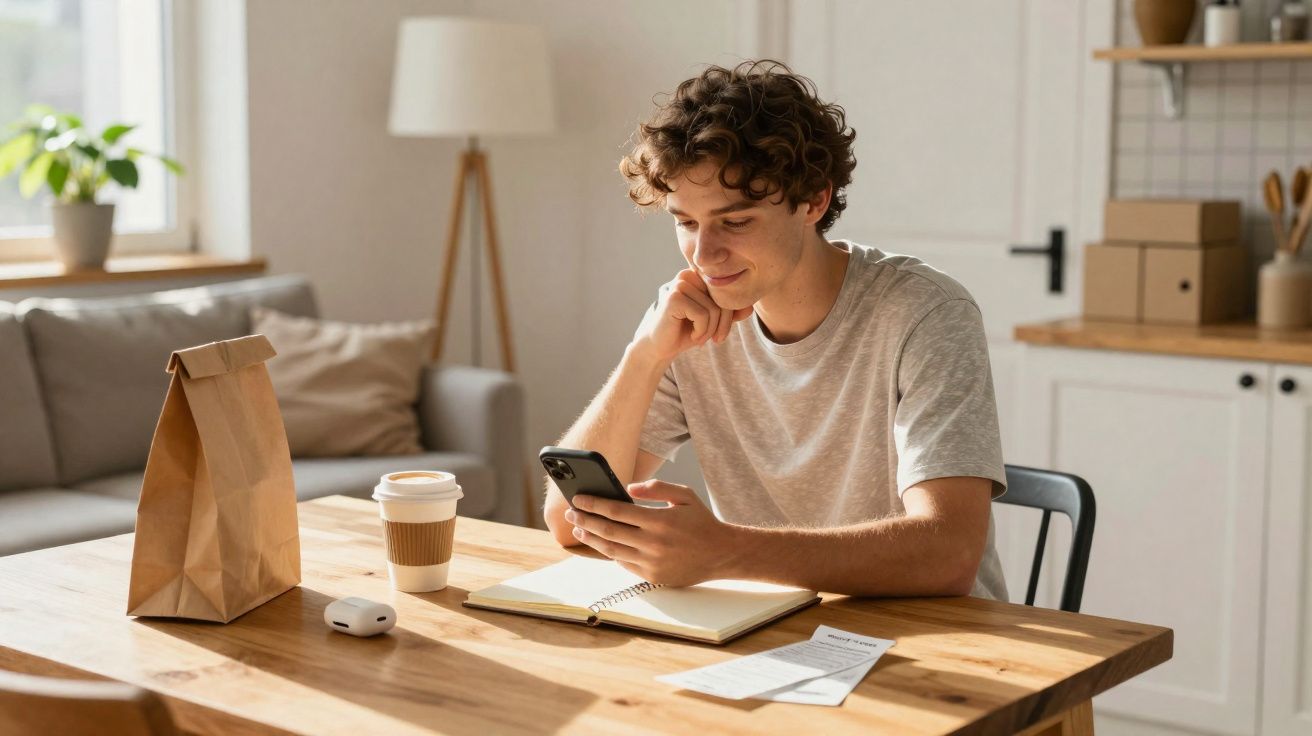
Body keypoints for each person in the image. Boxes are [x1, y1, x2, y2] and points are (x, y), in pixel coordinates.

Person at [542, 59, 1008, 600]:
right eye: (686, 222)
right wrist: (644, 356)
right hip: (769, 625)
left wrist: (724, 550)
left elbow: (947, 552)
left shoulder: (924, 312)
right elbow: (567, 518)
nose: (705, 253)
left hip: (937, 639)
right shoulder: (691, 319)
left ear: (814, 201)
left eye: (735, 221)